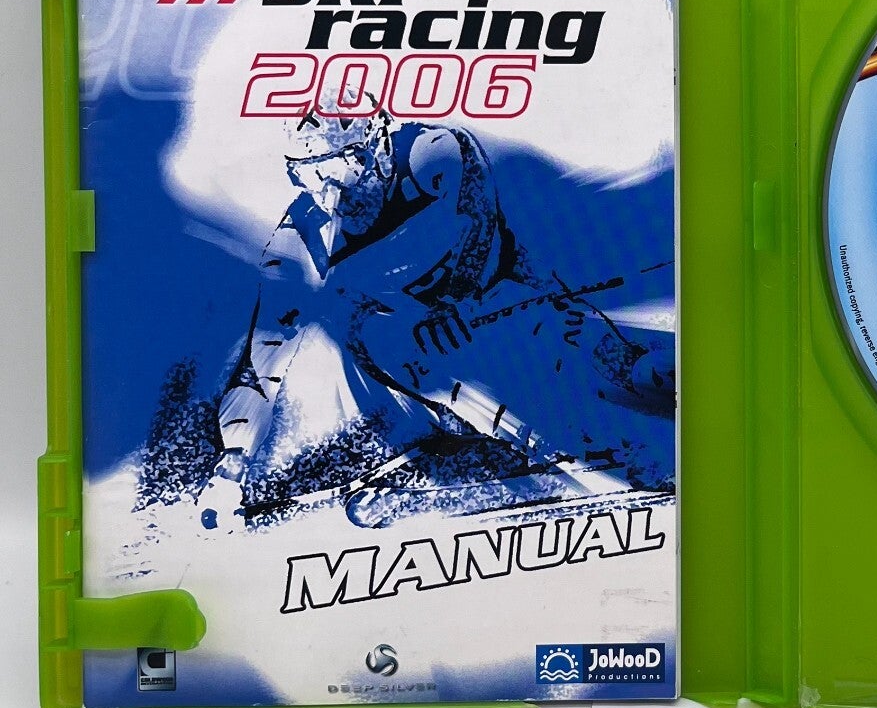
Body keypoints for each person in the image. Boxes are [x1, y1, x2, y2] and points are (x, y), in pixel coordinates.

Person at [197, 109, 674, 529]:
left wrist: (456, 303)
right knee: (368, 329)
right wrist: (233, 459)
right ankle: (538, 444)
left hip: (516, 301)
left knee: (632, 373)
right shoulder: (300, 239)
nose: (330, 191)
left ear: (378, 145)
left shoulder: (433, 153)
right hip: (432, 355)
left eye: (341, 165)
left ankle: (657, 375)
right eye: (307, 173)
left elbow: (479, 225)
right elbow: (263, 360)